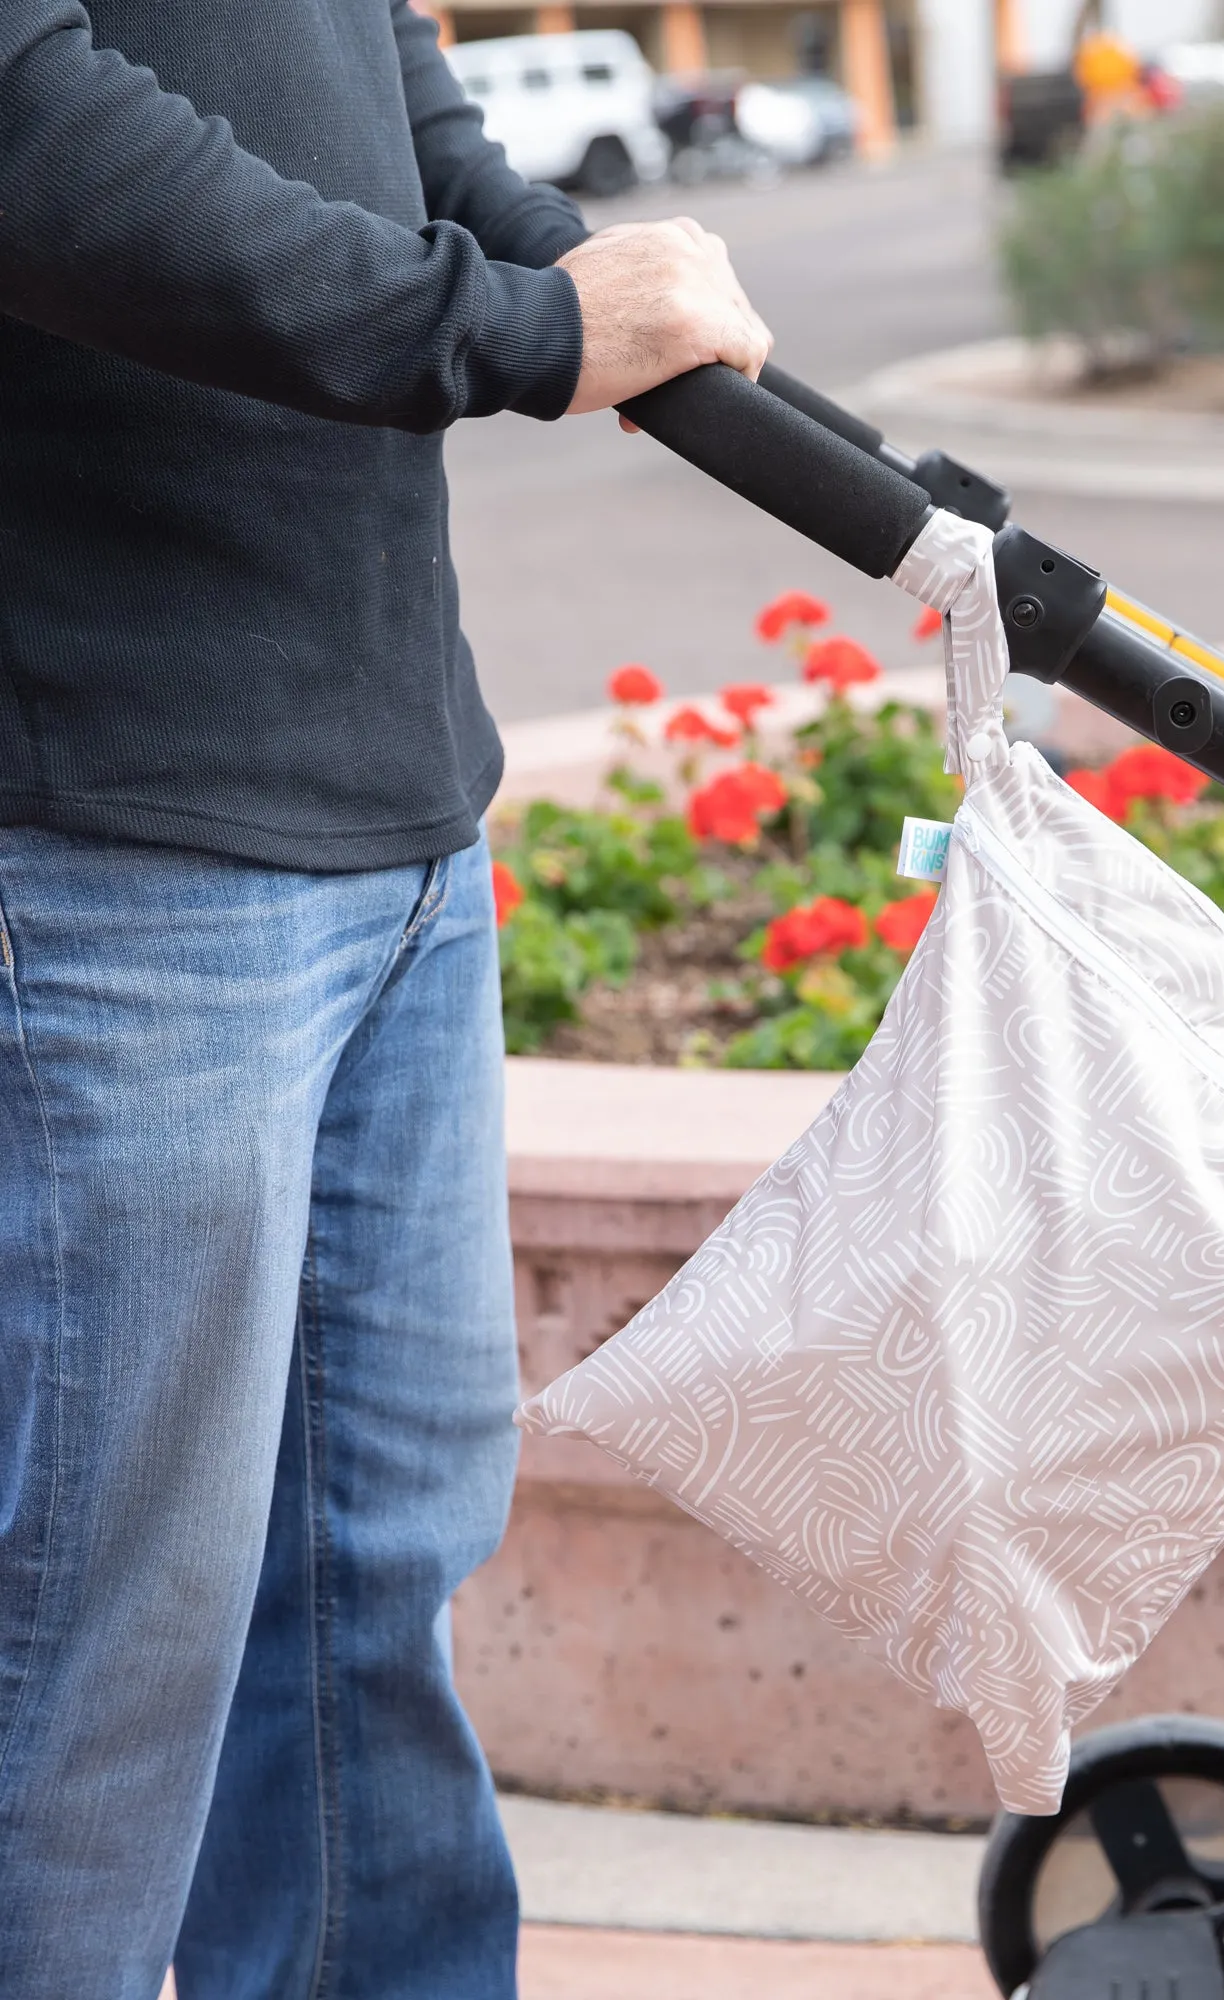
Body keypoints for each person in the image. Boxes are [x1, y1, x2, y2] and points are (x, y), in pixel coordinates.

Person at [0, 4, 771, 1994]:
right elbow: (34, 133)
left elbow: (376, 68)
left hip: (395, 813)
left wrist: (583, 273)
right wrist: (512, 331)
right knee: (91, 1667)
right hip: (107, 836)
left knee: (362, 1599)